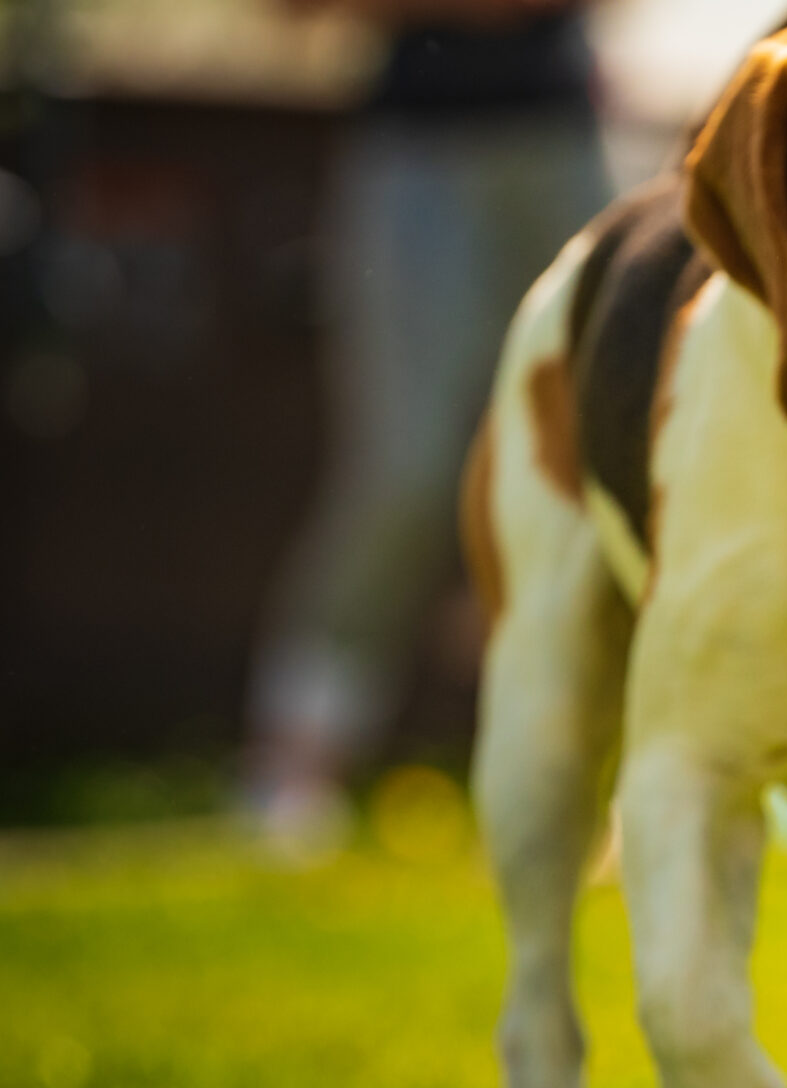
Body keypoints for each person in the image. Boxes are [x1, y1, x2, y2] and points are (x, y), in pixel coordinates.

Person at [243, 0, 611, 853]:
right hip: (415, 149)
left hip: (561, 138)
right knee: (403, 466)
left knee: (591, 463)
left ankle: (588, 783)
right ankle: (292, 769)